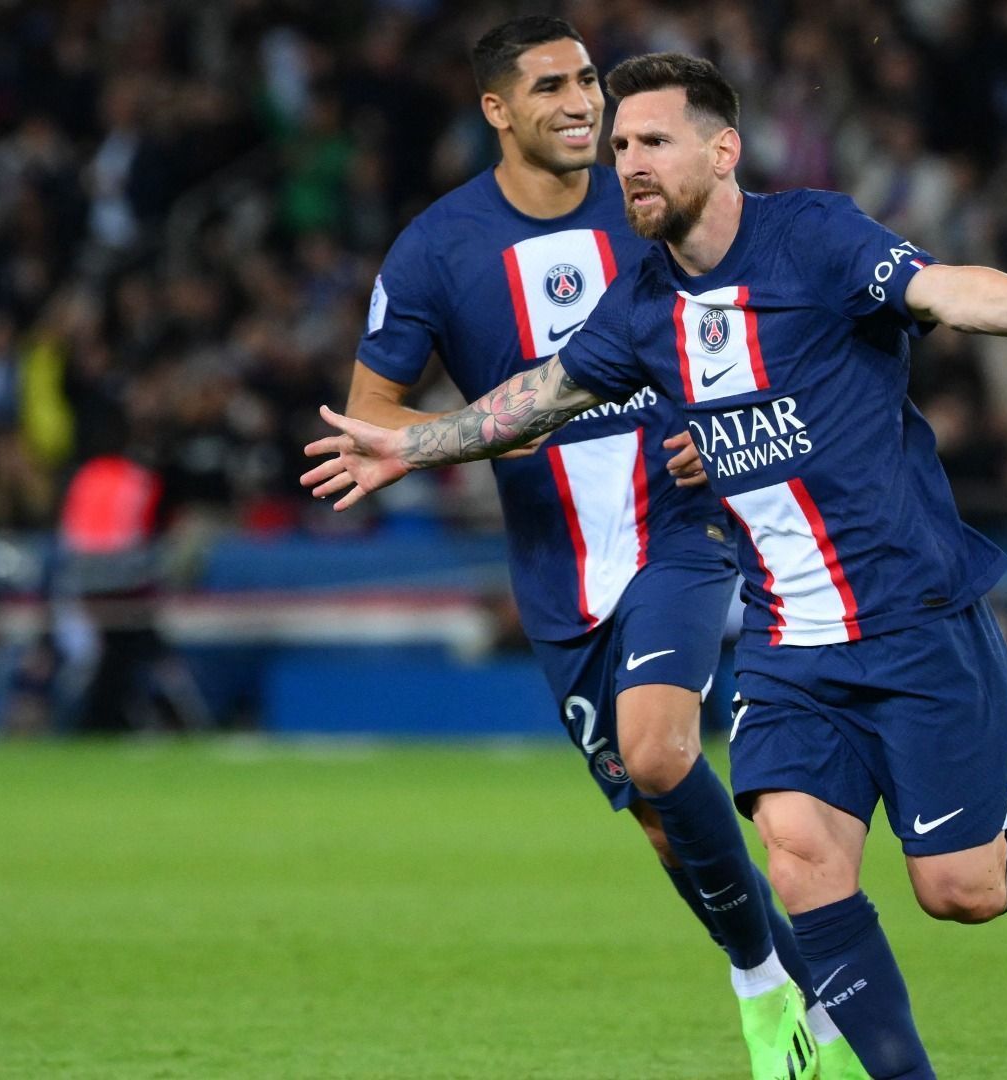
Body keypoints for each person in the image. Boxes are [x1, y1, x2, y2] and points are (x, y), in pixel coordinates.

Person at [302, 53, 1007, 1079]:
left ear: (722, 151)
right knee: (803, 862)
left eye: (652, 143)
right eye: (622, 147)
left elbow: (942, 289)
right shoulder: (641, 305)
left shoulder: (812, 238)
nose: (628, 164)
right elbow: (536, 397)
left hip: (913, 617)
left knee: (964, 889)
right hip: (788, 642)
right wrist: (404, 445)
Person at [339, 21, 813, 1079]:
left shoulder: (651, 197)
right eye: (549, 84)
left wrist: (721, 420)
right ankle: (786, 983)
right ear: (495, 110)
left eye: (590, 78)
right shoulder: (436, 248)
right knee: (659, 820)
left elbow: (758, 317)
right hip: (558, 572)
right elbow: (379, 410)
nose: (582, 100)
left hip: (679, 528)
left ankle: (768, 989)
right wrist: (439, 446)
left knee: (659, 748)